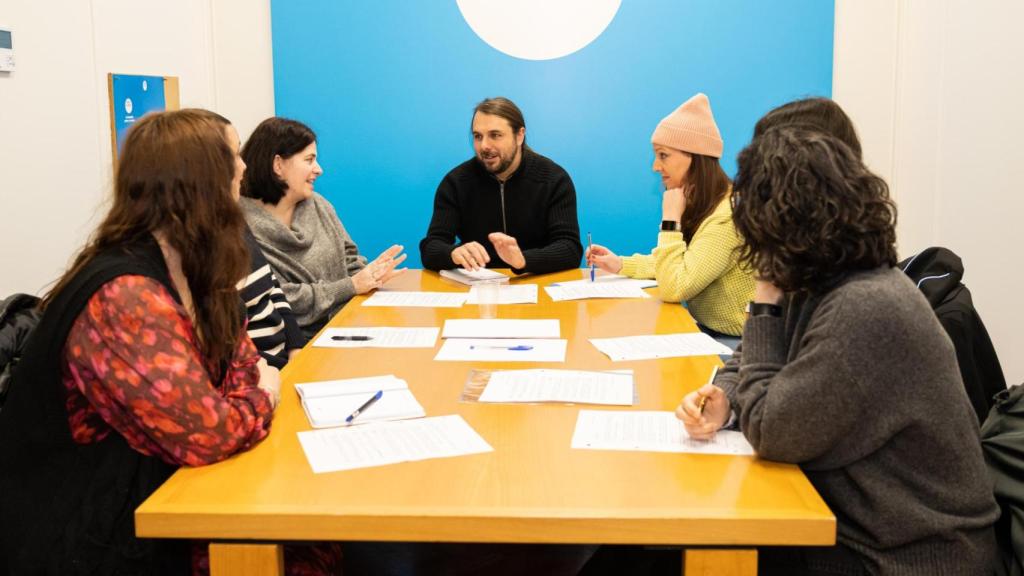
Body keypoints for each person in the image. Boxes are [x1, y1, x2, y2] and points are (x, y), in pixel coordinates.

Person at [676, 126, 998, 575]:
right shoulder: (826, 280)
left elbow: (772, 430)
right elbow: (751, 358)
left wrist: (765, 304)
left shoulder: (864, 308)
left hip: (905, 556)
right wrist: (726, 397)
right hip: (857, 529)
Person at [0, 109, 287, 573]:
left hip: (159, 494)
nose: (243, 169)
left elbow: (243, 368)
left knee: (307, 542)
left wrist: (245, 394)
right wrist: (265, 397)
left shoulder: (197, 264)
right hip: (88, 535)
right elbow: (207, 433)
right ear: (195, 181)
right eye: (231, 156)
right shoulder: (124, 294)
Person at [586, 94, 753, 339]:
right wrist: (620, 264)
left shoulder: (726, 217)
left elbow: (675, 286)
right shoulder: (706, 202)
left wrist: (670, 221)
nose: (655, 166)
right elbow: (677, 264)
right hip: (708, 331)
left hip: (737, 343)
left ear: (695, 158)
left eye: (663, 155)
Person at [240, 117, 406, 338]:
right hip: (293, 346)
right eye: (309, 160)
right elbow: (277, 299)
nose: (319, 170)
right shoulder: (240, 226)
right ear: (278, 165)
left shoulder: (318, 204)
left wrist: (372, 277)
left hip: (345, 325)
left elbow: (350, 259)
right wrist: (351, 286)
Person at [420, 97, 583, 275]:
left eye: (495, 135)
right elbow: (431, 248)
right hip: (479, 291)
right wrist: (452, 253)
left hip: (537, 283)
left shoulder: (553, 179)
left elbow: (570, 249)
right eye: (477, 136)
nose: (484, 146)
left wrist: (523, 261)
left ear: (519, 135)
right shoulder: (456, 183)